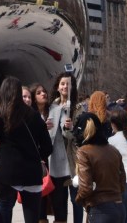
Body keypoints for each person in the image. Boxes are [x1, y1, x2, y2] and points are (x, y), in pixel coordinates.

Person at [0, 75, 52, 223]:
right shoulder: (35, 116)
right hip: (32, 173)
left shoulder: (1, 117)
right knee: (31, 217)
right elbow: (48, 147)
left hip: (8, 173)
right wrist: (38, 157)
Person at [73, 107, 125, 223]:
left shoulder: (84, 152)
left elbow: (86, 187)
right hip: (119, 208)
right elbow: (122, 184)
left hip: (100, 210)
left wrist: (78, 199)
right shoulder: (113, 150)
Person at [46, 72, 78, 223]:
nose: (65, 86)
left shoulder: (78, 108)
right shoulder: (52, 107)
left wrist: (70, 128)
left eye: (68, 83)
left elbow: (73, 135)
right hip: (57, 163)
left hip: (74, 162)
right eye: (63, 84)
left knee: (77, 200)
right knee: (59, 202)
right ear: (58, 87)